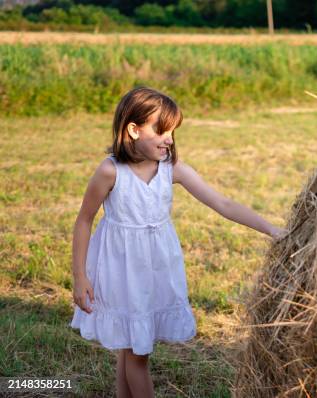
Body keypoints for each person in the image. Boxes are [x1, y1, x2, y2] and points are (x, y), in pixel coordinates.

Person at [70, 87, 286, 397]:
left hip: (156, 268)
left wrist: (272, 230)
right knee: (136, 355)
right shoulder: (110, 172)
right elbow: (84, 220)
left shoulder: (172, 169)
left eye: (172, 131)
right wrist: (80, 277)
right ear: (133, 129)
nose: (169, 138)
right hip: (121, 269)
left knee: (131, 347)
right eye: (161, 130)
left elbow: (223, 204)